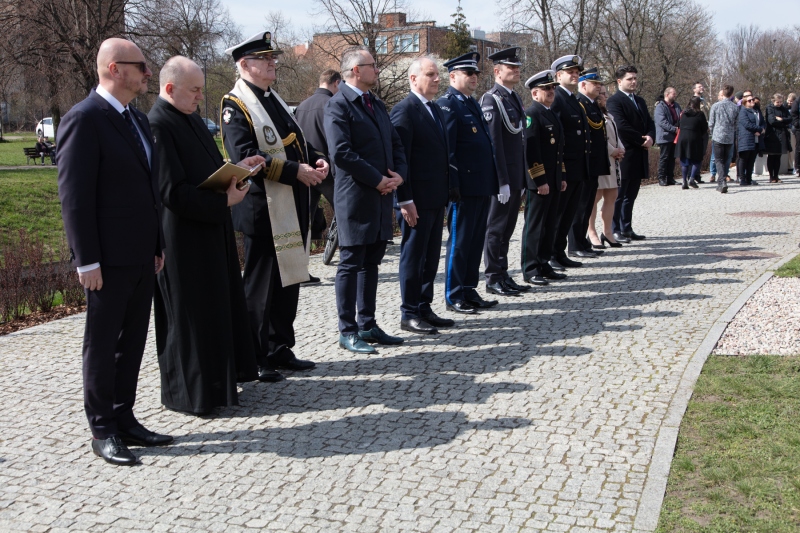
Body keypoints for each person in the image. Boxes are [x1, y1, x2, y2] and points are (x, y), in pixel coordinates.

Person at [57, 38, 171, 466]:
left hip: (141, 253)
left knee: (132, 343)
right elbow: (75, 197)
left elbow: (147, 190)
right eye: (139, 65)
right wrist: (86, 260)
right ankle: (102, 429)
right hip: (105, 259)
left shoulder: (137, 120)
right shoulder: (84, 119)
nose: (146, 71)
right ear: (112, 69)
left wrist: (157, 245)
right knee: (103, 345)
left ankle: (125, 417)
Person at [148, 56, 261, 416]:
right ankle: (192, 395)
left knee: (217, 307)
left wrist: (236, 172)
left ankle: (218, 385)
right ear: (170, 89)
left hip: (210, 229)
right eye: (195, 90)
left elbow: (207, 170)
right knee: (191, 316)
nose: (201, 96)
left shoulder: (191, 118)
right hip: (182, 237)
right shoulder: (159, 124)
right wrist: (223, 200)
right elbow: (171, 191)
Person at [221, 32, 329, 380]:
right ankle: (255, 355)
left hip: (289, 205)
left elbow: (295, 143)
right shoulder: (235, 105)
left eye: (273, 58)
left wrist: (318, 160)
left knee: (289, 281)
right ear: (243, 65)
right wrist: (296, 171)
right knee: (263, 285)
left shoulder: (274, 99)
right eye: (264, 58)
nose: (272, 63)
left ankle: (279, 347)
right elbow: (245, 158)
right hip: (263, 209)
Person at [323, 45, 408, 352]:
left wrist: (399, 175)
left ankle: (367, 324)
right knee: (351, 262)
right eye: (372, 65)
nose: (377, 70)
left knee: (371, 262)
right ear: (355, 70)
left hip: (381, 197)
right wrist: (378, 180)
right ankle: (347, 330)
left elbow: (395, 143)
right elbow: (341, 154)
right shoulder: (338, 105)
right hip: (356, 197)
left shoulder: (376, 104)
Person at [389, 56, 455, 334]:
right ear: (414, 79)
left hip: (434, 197)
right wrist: (405, 200)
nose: (437, 79)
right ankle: (409, 312)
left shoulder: (435, 109)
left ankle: (424, 307)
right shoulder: (405, 110)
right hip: (415, 200)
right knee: (414, 256)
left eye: (438, 74)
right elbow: (399, 159)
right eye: (431, 74)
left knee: (429, 257)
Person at [437, 52, 500, 313]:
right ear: (453, 77)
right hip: (463, 188)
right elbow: (449, 150)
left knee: (475, 242)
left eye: (475, 73)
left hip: (481, 185)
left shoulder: (471, 103)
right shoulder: (449, 104)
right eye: (468, 73)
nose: (474, 77)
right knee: (460, 243)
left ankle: (469, 289)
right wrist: (453, 185)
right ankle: (454, 294)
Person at [479, 47, 529, 297]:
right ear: (497, 71)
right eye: (512, 67)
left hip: (516, 175)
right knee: (496, 228)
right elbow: (495, 145)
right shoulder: (491, 99)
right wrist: (501, 182)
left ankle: (503, 273)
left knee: (508, 228)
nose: (517, 70)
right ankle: (492, 277)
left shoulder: (514, 97)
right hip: (503, 179)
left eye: (518, 67)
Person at [520, 70, 568, 286]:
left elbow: (559, 152)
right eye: (546, 89)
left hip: (554, 179)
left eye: (552, 88)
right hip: (539, 182)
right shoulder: (532, 115)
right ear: (534, 93)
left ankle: (544, 262)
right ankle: (530, 268)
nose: (551, 92)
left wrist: (562, 176)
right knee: (535, 225)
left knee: (550, 224)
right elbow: (531, 152)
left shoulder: (551, 114)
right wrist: (540, 181)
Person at [295, 68, 341, 274]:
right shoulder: (332, 104)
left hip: (306, 171)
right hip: (328, 171)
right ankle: (350, 257)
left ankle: (299, 267)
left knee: (304, 219)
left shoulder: (302, 106)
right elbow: (335, 141)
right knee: (344, 212)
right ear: (336, 83)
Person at [549, 55, 590, 268]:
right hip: (565, 166)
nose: (575, 75)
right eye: (570, 72)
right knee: (559, 213)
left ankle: (559, 251)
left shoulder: (573, 98)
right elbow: (554, 136)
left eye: (576, 72)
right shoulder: (557, 98)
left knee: (569, 213)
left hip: (577, 166)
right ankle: (552, 254)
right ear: (558, 75)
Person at [605, 65, 654, 243]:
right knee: (619, 195)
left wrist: (651, 137)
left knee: (631, 194)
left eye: (635, 78)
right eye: (629, 79)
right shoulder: (614, 101)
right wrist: (642, 140)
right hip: (625, 153)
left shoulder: (639, 100)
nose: (633, 82)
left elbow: (649, 121)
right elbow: (622, 126)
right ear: (619, 81)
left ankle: (627, 227)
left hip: (639, 154)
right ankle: (614, 228)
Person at [572, 67, 610, 258]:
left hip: (594, 161)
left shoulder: (593, 104)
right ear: (583, 84)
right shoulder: (580, 103)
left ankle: (582, 241)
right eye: (595, 84)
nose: (598, 87)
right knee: (581, 204)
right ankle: (576, 243)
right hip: (584, 162)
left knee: (587, 204)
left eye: (599, 83)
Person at [587, 84, 623, 249]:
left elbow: (615, 135)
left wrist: (620, 149)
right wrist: (612, 150)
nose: (605, 97)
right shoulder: (592, 113)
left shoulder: (608, 115)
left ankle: (607, 232)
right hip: (602, 159)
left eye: (605, 94)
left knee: (612, 196)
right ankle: (591, 232)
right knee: (595, 198)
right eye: (601, 94)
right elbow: (598, 138)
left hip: (613, 161)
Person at [708, 84, 738, 193]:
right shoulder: (735, 107)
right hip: (729, 136)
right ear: (732, 94)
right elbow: (736, 124)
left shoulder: (715, 106)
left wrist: (712, 132)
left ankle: (721, 181)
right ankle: (723, 178)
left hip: (718, 135)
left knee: (718, 159)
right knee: (726, 159)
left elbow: (711, 122)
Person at [676, 96, 708, 189]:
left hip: (683, 137)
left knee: (685, 160)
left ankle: (684, 181)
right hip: (695, 137)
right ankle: (692, 178)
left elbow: (678, 124)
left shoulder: (683, 113)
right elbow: (704, 128)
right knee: (696, 159)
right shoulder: (700, 114)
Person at [654, 87, 681, 186]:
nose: (675, 95)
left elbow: (680, 116)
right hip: (664, 136)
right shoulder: (660, 107)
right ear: (667, 94)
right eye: (673, 93)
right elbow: (661, 122)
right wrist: (674, 129)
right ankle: (661, 178)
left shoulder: (676, 105)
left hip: (674, 136)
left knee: (672, 158)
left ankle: (670, 178)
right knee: (664, 158)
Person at [764, 93, 792, 183]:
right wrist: (783, 123)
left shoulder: (783, 108)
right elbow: (772, 121)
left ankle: (776, 175)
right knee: (771, 156)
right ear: (773, 101)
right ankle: (771, 176)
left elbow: (790, 118)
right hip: (772, 135)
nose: (779, 103)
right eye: (777, 102)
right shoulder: (770, 108)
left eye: (780, 102)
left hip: (781, 134)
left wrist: (782, 120)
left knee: (778, 156)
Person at [736, 94, 763, 187]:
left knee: (751, 160)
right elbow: (746, 124)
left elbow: (762, 121)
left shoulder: (755, 111)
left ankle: (749, 178)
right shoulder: (743, 111)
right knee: (744, 159)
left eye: (753, 100)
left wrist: (761, 128)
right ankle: (742, 178)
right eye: (749, 100)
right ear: (744, 102)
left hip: (755, 139)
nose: (752, 102)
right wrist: (758, 129)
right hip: (746, 138)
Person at [692, 82, 709, 183]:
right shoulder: (693, 101)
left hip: (705, 131)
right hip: (696, 131)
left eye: (702, 86)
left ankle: (697, 174)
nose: (702, 87)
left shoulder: (705, 101)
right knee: (694, 153)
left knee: (702, 153)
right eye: (699, 86)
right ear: (694, 90)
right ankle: (692, 175)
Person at [709, 89, 726, 182]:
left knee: (725, 157)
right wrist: (713, 133)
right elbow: (711, 122)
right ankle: (713, 174)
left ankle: (723, 175)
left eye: (724, 95)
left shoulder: (730, 106)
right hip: (717, 135)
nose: (722, 97)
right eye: (721, 95)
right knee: (714, 157)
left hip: (727, 135)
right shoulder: (715, 106)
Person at [790, 92, 800, 176]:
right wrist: (797, 123)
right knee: (799, 148)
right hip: (799, 128)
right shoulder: (797, 101)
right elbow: (793, 113)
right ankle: (798, 168)